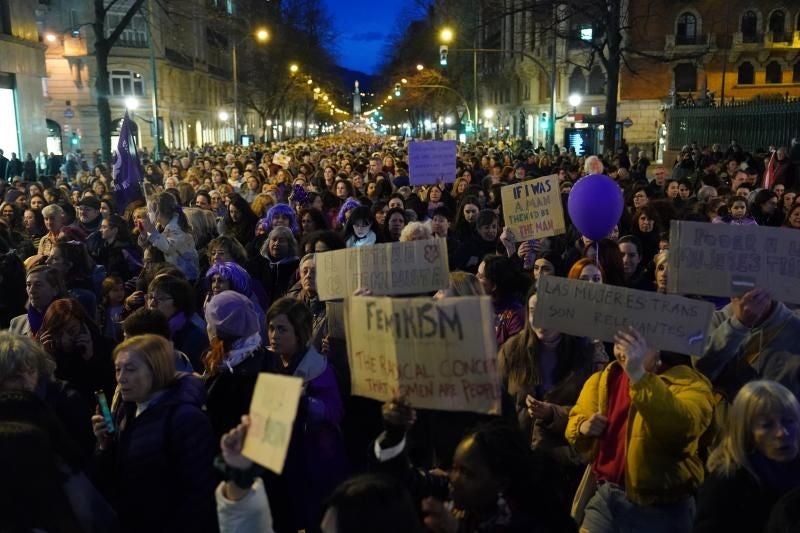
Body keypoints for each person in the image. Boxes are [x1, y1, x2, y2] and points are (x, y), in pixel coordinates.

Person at [566, 326, 713, 532]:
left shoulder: (688, 383)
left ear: (658, 348)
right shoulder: (604, 379)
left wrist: (639, 376)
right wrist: (583, 426)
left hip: (661, 509)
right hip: (606, 496)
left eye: (637, 344)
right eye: (622, 342)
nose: (627, 350)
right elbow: (575, 420)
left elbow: (681, 431)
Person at [375, 398, 577, 532]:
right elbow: (401, 481)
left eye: (467, 473)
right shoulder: (453, 489)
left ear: (500, 482)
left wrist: (457, 530)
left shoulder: (529, 522)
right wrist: (394, 434)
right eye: (454, 468)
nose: (453, 478)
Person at [91, 334, 218, 533]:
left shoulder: (186, 418)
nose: (121, 378)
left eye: (130, 369)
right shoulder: (127, 410)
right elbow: (116, 476)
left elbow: (200, 495)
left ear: (156, 370)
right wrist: (104, 446)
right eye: (117, 369)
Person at [261, 297, 349, 532]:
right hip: (278, 466)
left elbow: (334, 411)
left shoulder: (319, 369)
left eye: (282, 329)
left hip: (312, 466)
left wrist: (304, 402)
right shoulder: (267, 363)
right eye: (271, 328)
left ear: (299, 333)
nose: (274, 335)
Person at [694, 381, 800, 533]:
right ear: (746, 431)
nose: (782, 433)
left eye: (789, 421)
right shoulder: (725, 485)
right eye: (767, 425)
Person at [203, 290, 266, 440]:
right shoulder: (264, 355)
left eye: (209, 322)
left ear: (218, 331)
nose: (207, 327)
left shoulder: (228, 379)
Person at [146, 274, 209, 372]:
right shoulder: (148, 329)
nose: (152, 304)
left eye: (161, 299)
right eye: (150, 297)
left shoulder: (195, 337)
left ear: (178, 302)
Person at [137, 192, 199, 281]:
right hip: (168, 273)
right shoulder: (160, 225)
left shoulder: (177, 227)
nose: (147, 214)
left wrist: (152, 231)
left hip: (184, 276)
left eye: (149, 211)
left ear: (158, 211)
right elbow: (151, 246)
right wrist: (144, 234)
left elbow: (168, 248)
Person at [477, 255, 528, 346]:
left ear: (494, 286)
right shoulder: (478, 305)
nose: (475, 278)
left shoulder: (516, 316)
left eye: (480, 276)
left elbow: (515, 351)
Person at [9, 265, 67, 337]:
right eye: (28, 285)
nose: (31, 290)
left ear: (55, 289)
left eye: (38, 285)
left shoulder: (70, 322)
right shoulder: (16, 323)